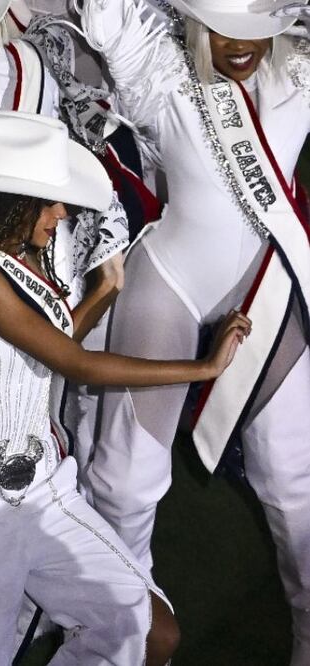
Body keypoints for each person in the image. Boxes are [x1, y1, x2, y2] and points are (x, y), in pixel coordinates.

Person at [0, 110, 251, 664]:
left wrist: (107, 288)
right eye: (47, 202)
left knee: (148, 633)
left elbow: (51, 344)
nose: (61, 213)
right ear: (7, 200)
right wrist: (202, 368)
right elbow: (75, 363)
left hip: (42, 491)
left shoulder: (21, 260)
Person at [80, 0, 310, 659]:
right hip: (172, 282)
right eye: (220, 24)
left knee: (293, 481)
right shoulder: (161, 73)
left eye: (254, 28)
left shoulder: (298, 72)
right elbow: (108, 17)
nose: (239, 43)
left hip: (266, 291)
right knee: (126, 477)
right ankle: (127, 631)